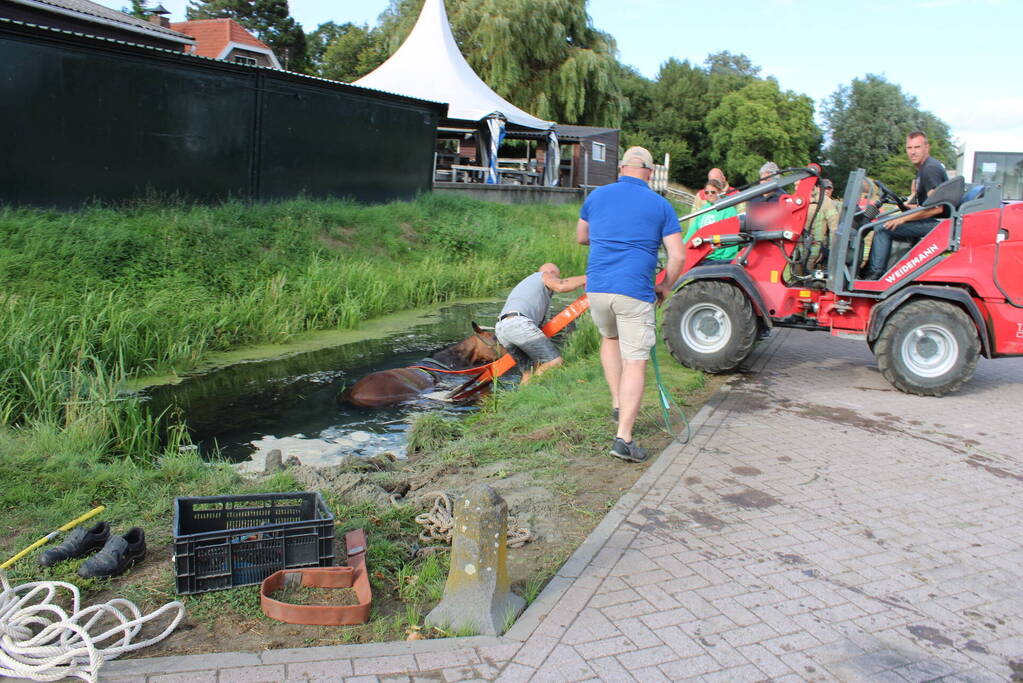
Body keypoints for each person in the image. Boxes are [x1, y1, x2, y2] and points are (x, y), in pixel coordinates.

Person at [576, 146, 685, 463]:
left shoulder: (597, 196)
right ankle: (623, 439)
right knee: (635, 362)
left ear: (621, 168)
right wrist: (665, 285)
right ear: (649, 172)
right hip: (634, 290)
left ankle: (617, 402)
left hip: (597, 289)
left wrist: (608, 236)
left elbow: (582, 236)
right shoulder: (661, 205)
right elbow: (678, 256)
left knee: (610, 338)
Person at [863, 131, 948, 279]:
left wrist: (902, 219)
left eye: (917, 147)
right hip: (935, 221)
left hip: (938, 224)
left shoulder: (930, 169)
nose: (913, 152)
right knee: (883, 221)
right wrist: (906, 208)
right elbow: (927, 205)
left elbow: (937, 208)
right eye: (909, 148)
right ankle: (871, 270)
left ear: (927, 147)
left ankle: (875, 275)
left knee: (883, 228)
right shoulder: (923, 169)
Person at [495, 263, 586, 385]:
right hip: (517, 323)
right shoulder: (544, 275)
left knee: (528, 371)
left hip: (502, 328)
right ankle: (531, 389)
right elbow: (561, 286)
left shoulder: (529, 286)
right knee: (554, 362)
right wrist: (588, 278)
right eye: (557, 277)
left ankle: (523, 395)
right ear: (552, 273)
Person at [683, 178, 740, 261]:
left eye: (713, 192)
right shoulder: (703, 210)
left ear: (720, 192)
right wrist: (682, 247)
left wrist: (727, 258)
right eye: (707, 192)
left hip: (718, 257)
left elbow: (733, 236)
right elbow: (692, 231)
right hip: (701, 255)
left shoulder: (729, 211)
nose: (709, 194)